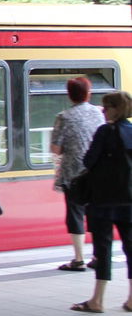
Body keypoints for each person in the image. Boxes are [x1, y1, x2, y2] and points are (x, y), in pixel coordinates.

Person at [70, 90, 132, 313]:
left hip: (103, 201)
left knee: (103, 249)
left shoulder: (105, 131)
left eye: (106, 107)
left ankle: (97, 300)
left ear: (116, 109)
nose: (103, 111)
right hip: (130, 200)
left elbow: (88, 161)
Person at [50, 76, 104, 270]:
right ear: (88, 93)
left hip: (73, 175)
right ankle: (98, 256)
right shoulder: (99, 114)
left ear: (69, 95)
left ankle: (79, 259)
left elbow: (56, 149)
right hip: (96, 173)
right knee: (96, 215)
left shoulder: (63, 117)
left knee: (75, 214)